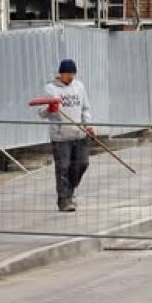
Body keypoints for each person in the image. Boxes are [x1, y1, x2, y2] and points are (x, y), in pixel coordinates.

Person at [37, 58, 94, 212]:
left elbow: (85, 109)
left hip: (79, 134)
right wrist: (50, 108)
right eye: (68, 74)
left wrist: (88, 125)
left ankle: (71, 190)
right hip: (61, 136)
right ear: (61, 74)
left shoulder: (79, 87)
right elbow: (41, 113)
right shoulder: (50, 89)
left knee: (82, 164)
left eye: (73, 74)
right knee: (63, 167)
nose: (71, 77)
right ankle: (64, 200)